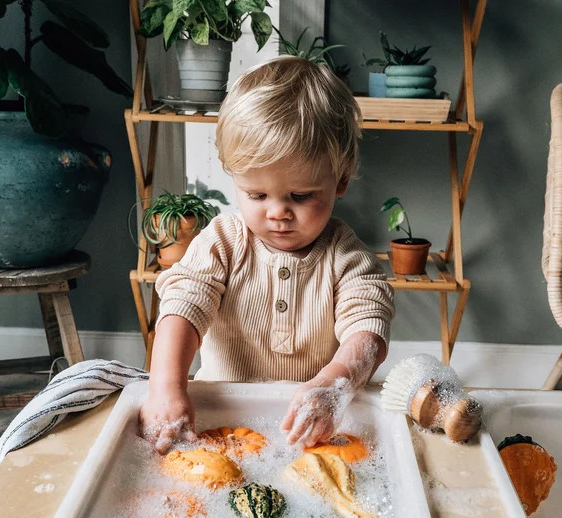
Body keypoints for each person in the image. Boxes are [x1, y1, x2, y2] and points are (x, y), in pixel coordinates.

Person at [139, 56, 395, 452]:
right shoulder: (222, 243)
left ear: (340, 180)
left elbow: (368, 333)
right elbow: (182, 311)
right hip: (221, 419)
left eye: (300, 196)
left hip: (311, 425)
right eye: (256, 195)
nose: (277, 212)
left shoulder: (346, 257)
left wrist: (333, 385)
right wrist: (165, 388)